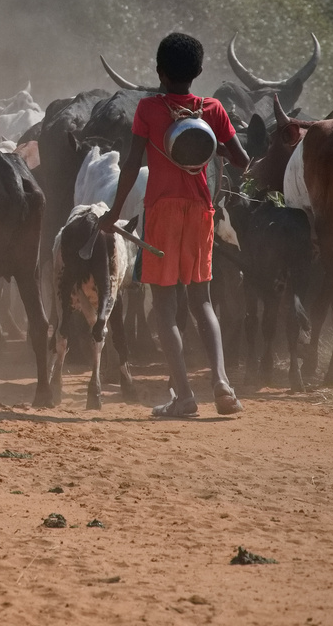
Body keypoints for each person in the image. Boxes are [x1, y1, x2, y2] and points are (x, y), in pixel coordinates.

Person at [100, 32, 251, 418]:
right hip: (201, 210)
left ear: (159, 71)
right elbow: (242, 161)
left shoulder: (149, 109)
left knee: (165, 307)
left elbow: (132, 165)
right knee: (203, 301)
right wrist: (209, 143)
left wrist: (114, 213)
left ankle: (184, 396)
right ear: (199, 71)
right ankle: (222, 383)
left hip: (162, 211)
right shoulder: (212, 109)